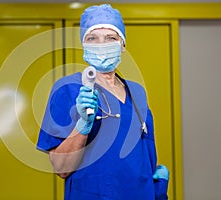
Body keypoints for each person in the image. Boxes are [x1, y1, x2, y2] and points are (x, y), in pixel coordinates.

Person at [37, 4, 169, 200]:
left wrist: (157, 192)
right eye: (93, 38)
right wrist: (82, 126)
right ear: (84, 45)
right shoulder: (67, 89)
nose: (101, 44)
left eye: (111, 38)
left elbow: (147, 154)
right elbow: (61, 168)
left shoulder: (137, 93)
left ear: (123, 45)